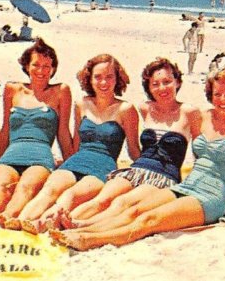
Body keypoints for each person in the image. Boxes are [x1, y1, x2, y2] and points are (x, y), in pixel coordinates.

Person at [55, 67, 225, 250]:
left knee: (150, 219)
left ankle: (89, 239)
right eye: (218, 94)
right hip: (185, 186)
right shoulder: (203, 117)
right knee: (135, 209)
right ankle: (83, 225)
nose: (223, 100)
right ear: (211, 95)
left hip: (210, 196)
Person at [62, 58, 201, 228]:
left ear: (177, 82)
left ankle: (83, 226)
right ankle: (63, 221)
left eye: (167, 82)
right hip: (136, 169)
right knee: (102, 199)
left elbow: (199, 151)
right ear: (149, 87)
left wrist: (194, 184)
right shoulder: (145, 108)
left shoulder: (189, 112)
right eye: (155, 84)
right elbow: (133, 147)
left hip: (164, 176)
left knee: (123, 203)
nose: (162, 88)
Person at [17, 54, 141, 230]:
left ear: (117, 78)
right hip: (77, 160)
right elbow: (76, 142)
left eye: (109, 77)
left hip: (103, 165)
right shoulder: (82, 104)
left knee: (71, 195)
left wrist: (144, 171)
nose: (103, 82)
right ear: (89, 79)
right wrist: (65, 161)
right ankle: (20, 222)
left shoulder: (126, 109)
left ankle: (39, 224)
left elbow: (133, 148)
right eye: (98, 77)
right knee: (50, 190)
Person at [0, 38, 73, 227]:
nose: (41, 71)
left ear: (54, 69)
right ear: (27, 66)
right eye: (36, 65)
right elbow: (5, 128)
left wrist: (70, 164)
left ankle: (8, 216)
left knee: (25, 187)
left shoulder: (61, 91)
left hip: (40, 156)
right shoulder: (13, 90)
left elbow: (63, 131)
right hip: (11, 153)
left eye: (47, 66)